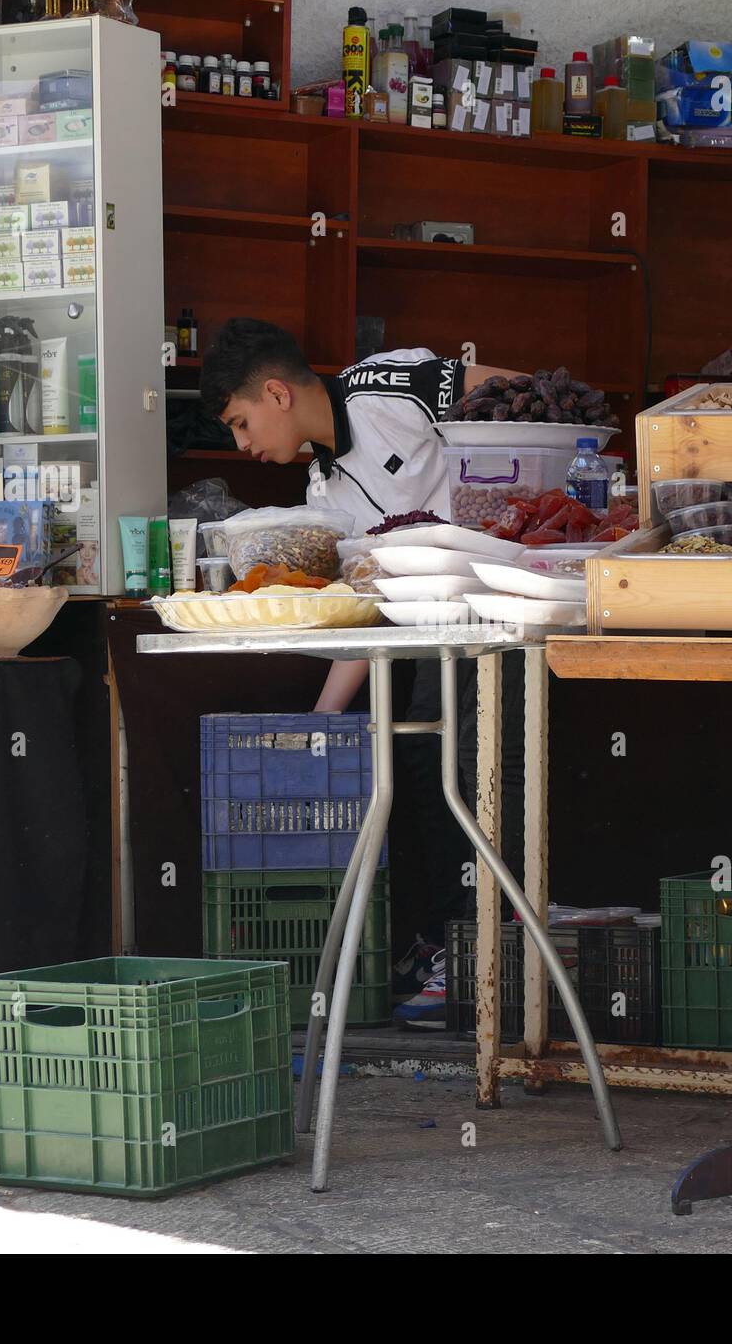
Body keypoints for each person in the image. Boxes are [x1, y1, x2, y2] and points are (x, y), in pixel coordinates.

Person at [200, 320, 530, 1029]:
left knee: (470, 764)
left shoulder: (387, 387)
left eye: (239, 421)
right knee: (407, 754)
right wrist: (322, 725)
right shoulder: (324, 495)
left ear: (276, 392)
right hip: (429, 636)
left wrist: (506, 512)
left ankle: (489, 958)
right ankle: (452, 945)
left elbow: (522, 398)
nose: (242, 444)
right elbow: (365, 610)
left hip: (506, 611)